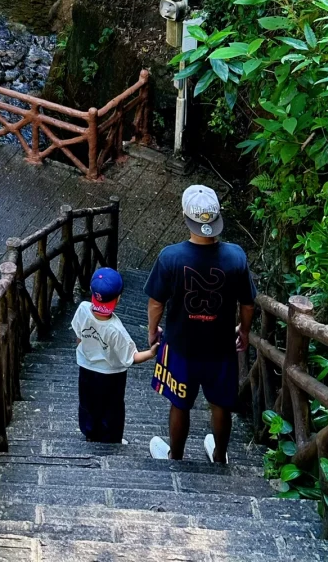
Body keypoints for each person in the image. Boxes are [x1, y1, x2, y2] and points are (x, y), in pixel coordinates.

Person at [145, 183, 256, 464]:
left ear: (185, 216)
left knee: (179, 403)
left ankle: (176, 456)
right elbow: (247, 303)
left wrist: (152, 331)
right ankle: (219, 456)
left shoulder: (170, 257)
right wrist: (244, 331)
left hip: (181, 346)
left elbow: (156, 302)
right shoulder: (236, 256)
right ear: (217, 217)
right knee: (220, 404)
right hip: (221, 348)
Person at [72, 266, 159, 443]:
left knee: (88, 403)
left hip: (86, 368)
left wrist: (85, 351)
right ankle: (111, 439)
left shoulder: (82, 309)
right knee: (112, 408)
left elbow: (79, 336)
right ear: (118, 299)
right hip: (111, 376)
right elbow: (132, 358)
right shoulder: (116, 329)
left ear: (93, 293)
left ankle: (90, 431)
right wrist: (151, 353)